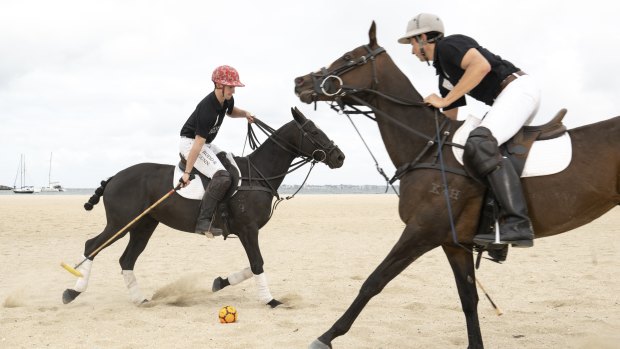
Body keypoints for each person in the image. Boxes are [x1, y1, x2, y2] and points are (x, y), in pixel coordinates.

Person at [398, 13, 540, 248]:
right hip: (508, 98)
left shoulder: (448, 45)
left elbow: (480, 66)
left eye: (412, 43)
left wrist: (444, 101)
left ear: (423, 38)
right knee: (481, 149)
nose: (412, 50)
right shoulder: (443, 73)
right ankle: (497, 228)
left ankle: (518, 224)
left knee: (480, 141)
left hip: (517, 91)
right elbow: (450, 116)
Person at [179, 65, 254, 236]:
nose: (233, 90)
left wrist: (245, 114)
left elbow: (230, 112)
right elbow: (198, 143)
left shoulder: (226, 100)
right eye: (231, 87)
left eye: (234, 86)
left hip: (205, 144)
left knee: (231, 165)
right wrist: (187, 173)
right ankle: (203, 222)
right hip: (191, 144)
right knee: (222, 176)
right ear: (219, 85)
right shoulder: (207, 109)